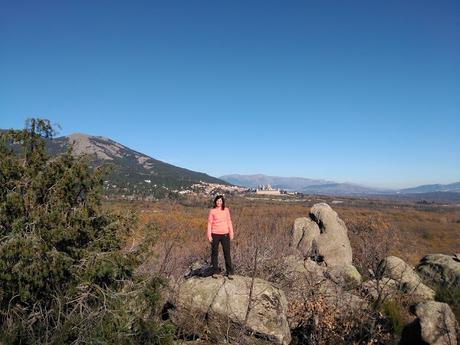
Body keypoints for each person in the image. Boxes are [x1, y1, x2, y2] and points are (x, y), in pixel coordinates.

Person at [207, 194, 234, 279]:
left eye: (220, 201)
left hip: (225, 234)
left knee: (227, 253)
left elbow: (229, 221)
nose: (219, 202)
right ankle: (215, 271)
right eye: (217, 201)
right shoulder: (212, 211)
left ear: (223, 202)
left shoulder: (226, 210)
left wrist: (231, 233)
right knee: (214, 253)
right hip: (214, 234)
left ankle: (229, 272)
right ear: (215, 201)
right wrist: (209, 235)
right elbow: (209, 223)